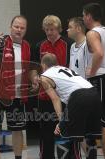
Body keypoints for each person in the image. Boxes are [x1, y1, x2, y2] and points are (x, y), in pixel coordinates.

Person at [39, 53, 101, 159]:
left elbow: (55, 99)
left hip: (78, 96)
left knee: (69, 135)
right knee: (89, 135)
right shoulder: (64, 68)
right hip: (94, 93)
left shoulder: (44, 77)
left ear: (43, 65)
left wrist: (61, 121)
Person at [31, 15, 73, 159]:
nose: (49, 32)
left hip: (64, 96)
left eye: (52, 29)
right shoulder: (39, 46)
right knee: (46, 134)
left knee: (66, 130)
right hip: (45, 96)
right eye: (47, 29)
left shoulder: (69, 44)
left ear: (59, 29)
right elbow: (34, 69)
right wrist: (35, 79)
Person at [0, 15, 31, 159]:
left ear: (25, 30)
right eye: (16, 26)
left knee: (18, 130)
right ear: (10, 27)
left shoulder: (26, 46)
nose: (19, 30)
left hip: (18, 96)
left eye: (22, 27)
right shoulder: (1, 42)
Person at [83, 3, 105, 159]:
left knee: (104, 125)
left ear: (89, 16)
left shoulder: (92, 33)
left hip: (101, 78)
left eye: (83, 15)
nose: (83, 18)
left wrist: (93, 72)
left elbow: (99, 53)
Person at [67, 17, 99, 158]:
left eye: (69, 27)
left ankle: (92, 154)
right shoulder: (73, 46)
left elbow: (101, 54)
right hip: (75, 93)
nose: (67, 30)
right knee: (77, 130)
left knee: (89, 130)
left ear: (78, 28)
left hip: (88, 91)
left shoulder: (88, 44)